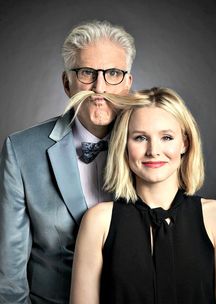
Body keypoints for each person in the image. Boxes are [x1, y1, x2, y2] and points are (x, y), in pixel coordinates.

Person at [0, 20, 135, 303]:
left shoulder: (152, 148)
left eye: (113, 73)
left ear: (128, 83)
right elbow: (10, 270)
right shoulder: (21, 149)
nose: (100, 87)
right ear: (66, 82)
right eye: (87, 72)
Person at [70, 87, 216, 304]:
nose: (153, 150)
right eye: (140, 138)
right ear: (124, 144)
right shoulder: (98, 222)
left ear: (184, 143)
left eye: (167, 137)